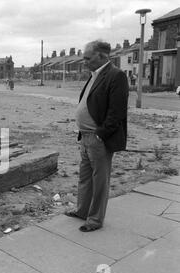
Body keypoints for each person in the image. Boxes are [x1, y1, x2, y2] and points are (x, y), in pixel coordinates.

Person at [65, 40, 128, 232]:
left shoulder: (116, 76)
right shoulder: (94, 75)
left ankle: (95, 219)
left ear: (101, 56)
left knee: (100, 180)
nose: (84, 61)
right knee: (85, 177)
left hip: (98, 138)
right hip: (85, 137)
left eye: (87, 58)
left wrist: (101, 134)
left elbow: (117, 112)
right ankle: (82, 211)